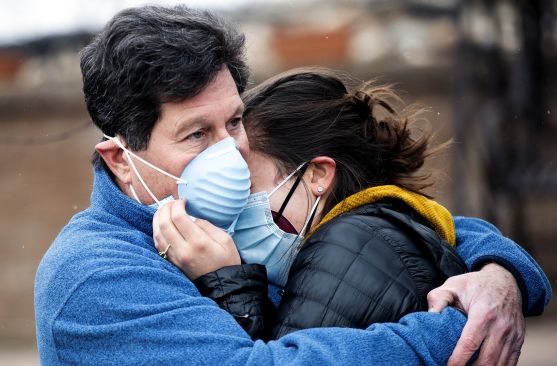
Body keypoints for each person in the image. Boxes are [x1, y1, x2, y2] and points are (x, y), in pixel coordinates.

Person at [34, 5, 552, 365]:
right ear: (120, 161)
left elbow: (407, 224)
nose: (230, 152)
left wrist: (499, 275)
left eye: (234, 122)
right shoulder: (95, 277)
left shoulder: (213, 211)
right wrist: (456, 326)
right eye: (196, 134)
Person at [152, 67, 546, 353]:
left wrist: (225, 281)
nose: (236, 207)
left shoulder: (347, 243)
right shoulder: (382, 226)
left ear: (318, 176)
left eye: (248, 184)